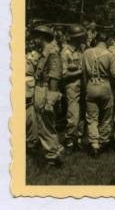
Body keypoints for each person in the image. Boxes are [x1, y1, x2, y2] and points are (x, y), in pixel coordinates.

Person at [82, 32, 115, 157]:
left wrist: (86, 87)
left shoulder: (86, 52)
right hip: (105, 85)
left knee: (92, 117)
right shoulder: (110, 54)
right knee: (106, 116)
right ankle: (103, 141)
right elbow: (114, 74)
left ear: (96, 40)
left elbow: (84, 74)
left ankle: (94, 143)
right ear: (107, 41)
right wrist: (112, 87)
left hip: (91, 85)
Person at [32, 25, 64, 167]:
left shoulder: (53, 53)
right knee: (43, 123)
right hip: (40, 88)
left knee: (46, 125)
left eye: (37, 36)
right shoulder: (45, 52)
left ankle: (52, 156)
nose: (35, 39)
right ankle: (53, 151)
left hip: (46, 90)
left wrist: (50, 99)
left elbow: (54, 76)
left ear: (43, 37)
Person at [61, 24, 85, 152]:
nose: (81, 39)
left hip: (83, 85)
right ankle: (69, 140)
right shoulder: (65, 52)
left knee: (81, 114)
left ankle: (79, 139)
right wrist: (80, 72)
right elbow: (63, 74)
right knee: (73, 114)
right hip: (72, 86)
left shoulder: (81, 49)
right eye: (78, 37)